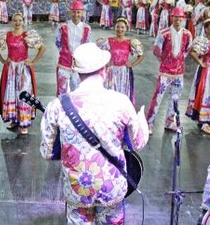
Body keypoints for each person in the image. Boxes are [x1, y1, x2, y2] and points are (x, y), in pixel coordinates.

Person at [40, 42, 149, 224]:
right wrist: (142, 120)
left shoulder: (57, 106)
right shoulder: (121, 102)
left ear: (78, 72)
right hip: (112, 186)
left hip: (77, 190)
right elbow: (137, 143)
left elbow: (47, 153)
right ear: (104, 70)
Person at [0, 12, 45, 134]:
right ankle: (14, 119)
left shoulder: (28, 35)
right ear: (12, 21)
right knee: (11, 94)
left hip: (23, 69)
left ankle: (24, 122)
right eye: (15, 20)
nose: (17, 23)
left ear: (23, 21)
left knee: (23, 94)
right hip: (11, 68)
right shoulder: (7, 35)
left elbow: (42, 48)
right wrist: (2, 60)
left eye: (20, 20)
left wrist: (33, 61)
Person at [147, 7, 192, 135]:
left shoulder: (187, 34)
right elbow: (156, 49)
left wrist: (179, 61)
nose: (178, 20)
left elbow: (188, 49)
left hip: (179, 73)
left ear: (183, 19)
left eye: (180, 18)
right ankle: (149, 123)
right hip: (165, 72)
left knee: (175, 99)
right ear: (172, 18)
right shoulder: (164, 33)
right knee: (158, 98)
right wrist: (165, 60)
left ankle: (169, 121)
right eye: (176, 17)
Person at [96, 16, 144, 106]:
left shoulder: (130, 42)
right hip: (111, 71)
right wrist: (106, 62)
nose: (120, 29)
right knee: (110, 94)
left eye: (122, 27)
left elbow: (141, 56)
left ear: (126, 29)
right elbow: (98, 52)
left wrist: (132, 64)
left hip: (124, 72)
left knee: (122, 94)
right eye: (118, 27)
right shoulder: (108, 41)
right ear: (115, 27)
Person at [55, 0, 91, 96]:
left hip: (78, 65)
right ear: (70, 12)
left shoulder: (86, 28)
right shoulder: (62, 27)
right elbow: (58, 42)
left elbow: (87, 45)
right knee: (62, 90)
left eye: (78, 12)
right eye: (74, 12)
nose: (76, 14)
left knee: (77, 91)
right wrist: (65, 53)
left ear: (82, 12)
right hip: (64, 63)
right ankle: (61, 109)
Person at [185, 19, 210, 133]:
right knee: (205, 93)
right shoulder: (204, 41)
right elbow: (193, 52)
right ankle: (204, 121)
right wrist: (200, 62)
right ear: (206, 29)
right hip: (207, 71)